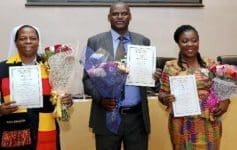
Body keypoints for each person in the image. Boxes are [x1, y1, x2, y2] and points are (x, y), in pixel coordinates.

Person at [83, 2, 160, 150]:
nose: (119, 17)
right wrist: (101, 100)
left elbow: (151, 83)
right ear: (109, 17)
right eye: (115, 14)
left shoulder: (143, 41)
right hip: (106, 116)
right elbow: (87, 79)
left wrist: (154, 78)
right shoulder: (95, 41)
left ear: (130, 16)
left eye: (124, 13)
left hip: (136, 118)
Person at [0, 25, 73, 150]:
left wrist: (65, 103)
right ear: (16, 42)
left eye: (33, 38)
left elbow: (59, 103)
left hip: (46, 129)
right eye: (23, 38)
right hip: (14, 131)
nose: (28, 41)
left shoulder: (50, 67)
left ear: (38, 42)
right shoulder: (2, 69)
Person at [158, 24, 230, 150]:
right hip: (181, 122)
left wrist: (225, 101)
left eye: (194, 40)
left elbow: (223, 88)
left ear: (198, 41)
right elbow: (162, 93)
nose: (190, 44)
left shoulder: (210, 63)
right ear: (178, 43)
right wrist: (165, 98)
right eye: (184, 41)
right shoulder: (170, 66)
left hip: (208, 121)